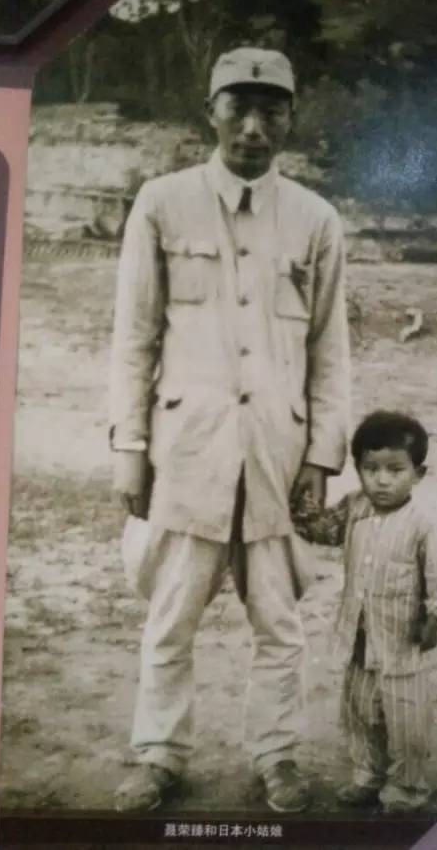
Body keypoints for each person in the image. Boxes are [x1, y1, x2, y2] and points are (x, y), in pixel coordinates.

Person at [109, 46, 350, 813]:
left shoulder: (316, 219)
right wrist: (130, 447)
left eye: (270, 111)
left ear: (290, 118)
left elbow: (330, 350)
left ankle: (277, 755)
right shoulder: (162, 202)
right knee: (170, 615)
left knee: (280, 621)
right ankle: (159, 753)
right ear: (209, 112)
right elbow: (134, 338)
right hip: (187, 451)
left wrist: (322, 456)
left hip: (276, 456)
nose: (253, 127)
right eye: (237, 108)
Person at [291, 410, 437, 814]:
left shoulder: (423, 525)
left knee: (406, 721)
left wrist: (435, 618)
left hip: (401, 645)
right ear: (358, 469)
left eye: (395, 470)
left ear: (418, 473)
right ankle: (368, 774)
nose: (382, 480)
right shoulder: (354, 508)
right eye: (371, 469)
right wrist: (302, 507)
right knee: (359, 714)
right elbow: (324, 530)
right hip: (357, 640)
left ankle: (407, 786)